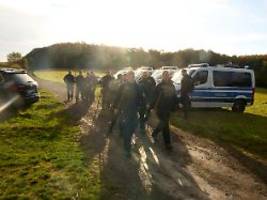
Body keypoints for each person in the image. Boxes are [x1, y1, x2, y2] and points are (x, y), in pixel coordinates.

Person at [114, 71, 144, 157]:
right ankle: (127, 149)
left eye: (132, 76)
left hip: (134, 111)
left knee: (133, 129)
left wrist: (142, 108)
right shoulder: (123, 86)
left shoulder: (137, 87)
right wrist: (115, 107)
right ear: (126, 77)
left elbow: (141, 98)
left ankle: (129, 140)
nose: (130, 77)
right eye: (129, 76)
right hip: (125, 111)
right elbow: (118, 97)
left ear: (134, 77)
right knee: (127, 130)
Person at [151, 71, 177, 151]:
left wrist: (175, 106)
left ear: (168, 76)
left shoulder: (172, 86)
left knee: (164, 123)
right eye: (164, 76)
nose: (166, 77)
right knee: (165, 125)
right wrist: (151, 107)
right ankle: (167, 144)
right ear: (162, 77)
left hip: (168, 108)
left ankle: (155, 133)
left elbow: (174, 97)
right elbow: (154, 97)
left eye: (167, 75)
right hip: (160, 109)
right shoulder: (159, 86)